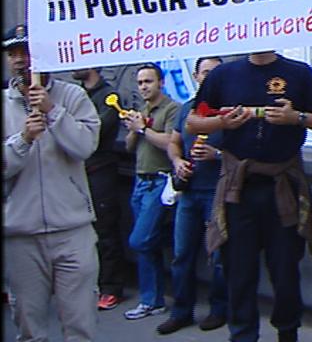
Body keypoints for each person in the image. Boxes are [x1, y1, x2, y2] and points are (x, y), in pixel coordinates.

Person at [187, 50, 312, 342]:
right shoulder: (223, 75)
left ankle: (287, 332)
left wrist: (297, 117)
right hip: (238, 189)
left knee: (285, 270)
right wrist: (222, 123)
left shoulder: (298, 72)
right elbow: (193, 122)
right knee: (238, 271)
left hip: (282, 186)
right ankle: (242, 335)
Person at [2, 24, 101, 341]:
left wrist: (53, 111)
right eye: (13, 53)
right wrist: (23, 140)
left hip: (72, 230)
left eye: (27, 51)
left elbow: (85, 147)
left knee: (80, 324)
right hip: (21, 234)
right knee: (30, 327)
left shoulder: (73, 96)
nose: (21, 60)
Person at [156, 56, 228, 335]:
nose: (210, 78)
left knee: (219, 256)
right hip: (188, 192)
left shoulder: (232, 111)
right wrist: (177, 162)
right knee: (182, 254)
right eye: (205, 72)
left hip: (218, 192)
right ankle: (181, 311)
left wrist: (216, 154)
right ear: (197, 76)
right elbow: (174, 143)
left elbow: (245, 154)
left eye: (216, 73)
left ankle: (219, 309)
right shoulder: (187, 108)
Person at [122, 63, 180, 320]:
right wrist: (133, 129)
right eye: (140, 83)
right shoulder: (142, 110)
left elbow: (170, 142)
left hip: (160, 181)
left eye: (148, 81)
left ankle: (155, 298)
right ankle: (152, 300)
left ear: (161, 83)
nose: (143, 87)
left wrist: (143, 129)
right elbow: (129, 147)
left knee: (140, 240)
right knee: (147, 245)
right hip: (140, 181)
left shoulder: (172, 109)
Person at [72, 66, 129, 311]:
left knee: (106, 229)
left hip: (100, 171)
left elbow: (94, 131)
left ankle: (111, 287)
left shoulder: (109, 96)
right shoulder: (76, 93)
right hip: (77, 172)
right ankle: (90, 283)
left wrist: (70, 128)